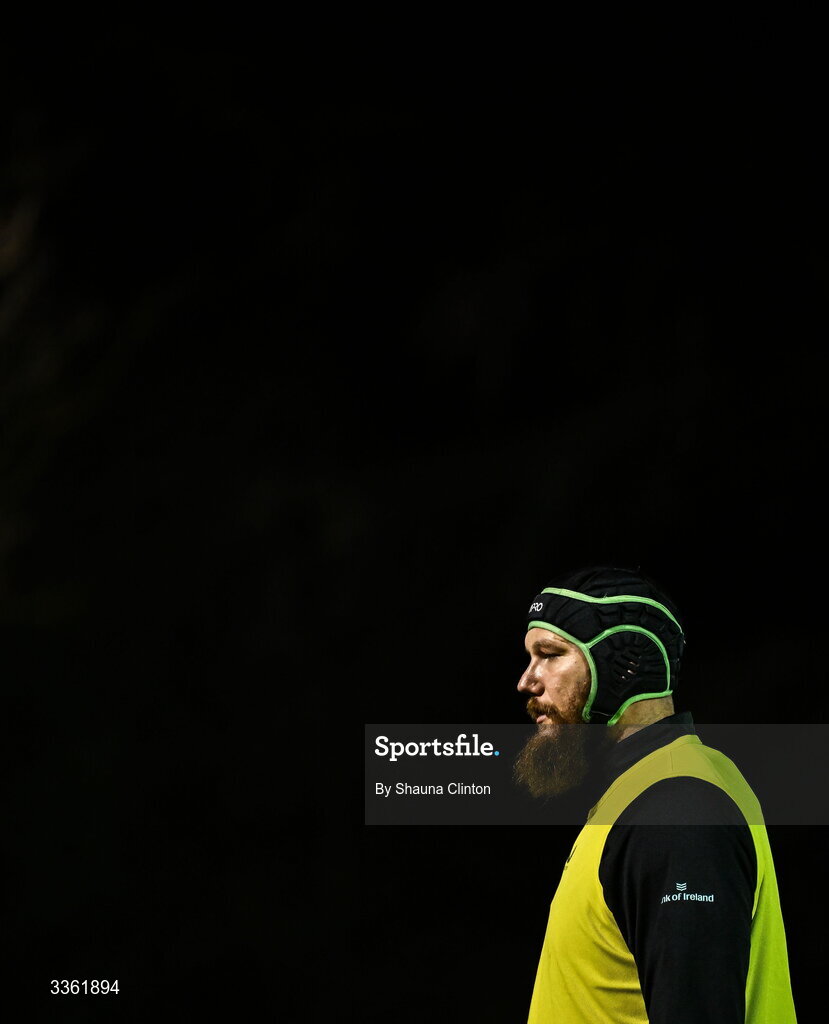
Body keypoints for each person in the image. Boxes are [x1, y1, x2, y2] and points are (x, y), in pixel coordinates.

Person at [515, 565, 797, 1023]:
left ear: (624, 666)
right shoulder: (645, 791)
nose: (527, 681)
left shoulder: (676, 809)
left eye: (549, 654)